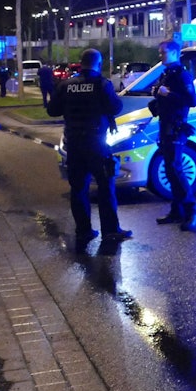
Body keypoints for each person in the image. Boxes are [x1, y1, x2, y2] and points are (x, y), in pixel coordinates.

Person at [47, 48, 131, 248]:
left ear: (81, 63)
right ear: (99, 64)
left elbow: (52, 110)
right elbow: (116, 107)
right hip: (96, 144)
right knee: (105, 187)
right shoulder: (102, 84)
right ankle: (110, 231)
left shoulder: (66, 85)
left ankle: (83, 231)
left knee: (78, 189)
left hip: (74, 145)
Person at [150, 39, 196, 229]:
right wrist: (158, 92)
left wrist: (166, 94)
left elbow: (191, 101)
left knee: (176, 169)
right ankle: (177, 211)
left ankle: (192, 211)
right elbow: (161, 95)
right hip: (166, 126)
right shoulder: (167, 74)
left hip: (177, 127)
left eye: (163, 52)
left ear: (174, 53)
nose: (160, 55)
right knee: (171, 170)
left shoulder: (182, 76)